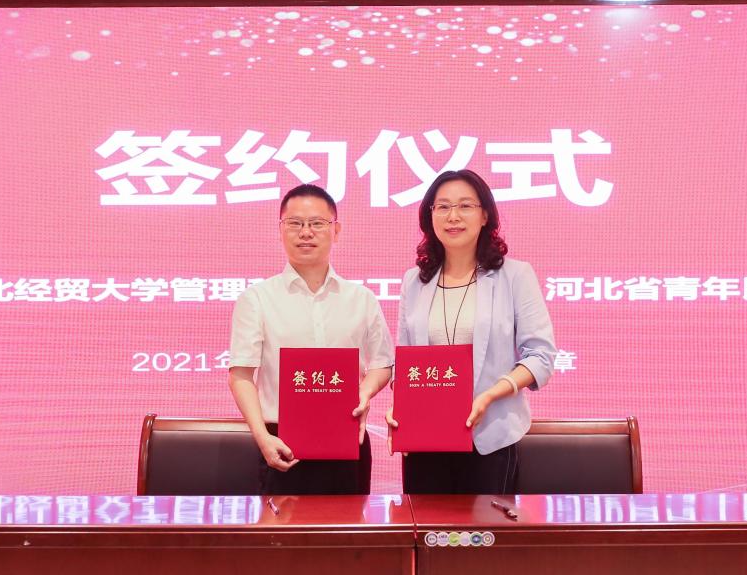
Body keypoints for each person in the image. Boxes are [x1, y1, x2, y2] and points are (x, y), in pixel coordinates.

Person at [387, 169, 557, 494]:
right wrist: (403, 408)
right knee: (426, 527)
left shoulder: (514, 276)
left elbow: (541, 356)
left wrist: (490, 395)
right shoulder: (415, 281)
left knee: (484, 528)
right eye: (443, 207)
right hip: (425, 442)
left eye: (465, 206)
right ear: (430, 216)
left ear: (484, 215)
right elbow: (405, 363)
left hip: (491, 437)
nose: (453, 216)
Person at [228, 184, 393, 495]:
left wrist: (363, 393)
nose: (306, 232)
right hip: (280, 442)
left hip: (347, 436)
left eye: (317, 223)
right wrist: (262, 437)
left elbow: (383, 364)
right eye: (295, 223)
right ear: (280, 230)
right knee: (281, 527)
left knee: (350, 526)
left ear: (336, 230)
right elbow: (241, 375)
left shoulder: (361, 298)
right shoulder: (257, 299)